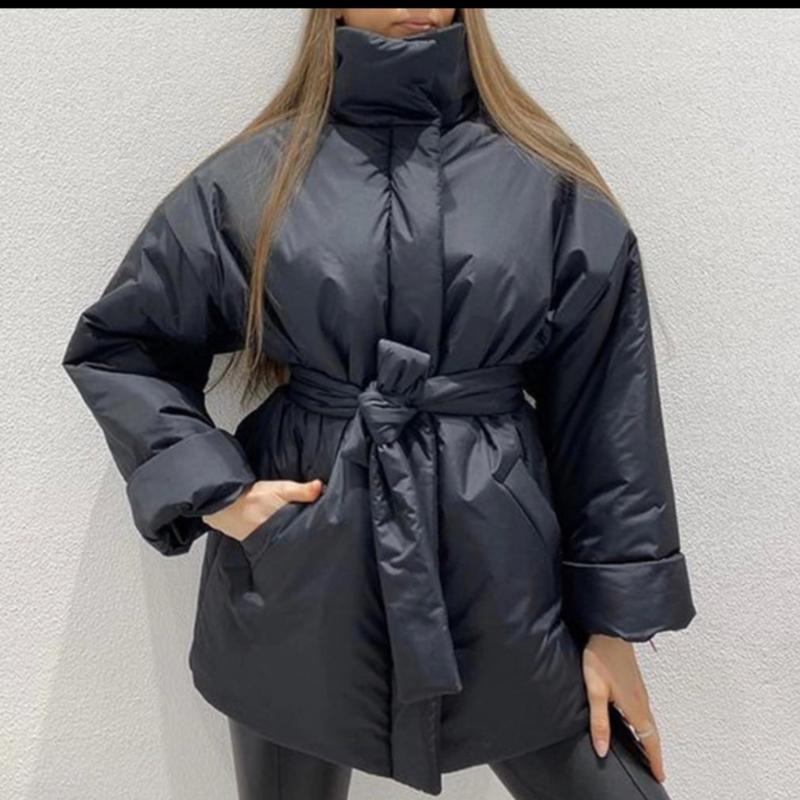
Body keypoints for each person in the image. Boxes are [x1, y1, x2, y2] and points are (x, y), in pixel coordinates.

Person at [62, 7, 697, 799]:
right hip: (299, 570)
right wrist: (220, 496)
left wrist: (612, 627)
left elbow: (608, 412)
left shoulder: (544, 181)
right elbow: (122, 346)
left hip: (505, 579)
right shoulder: (257, 178)